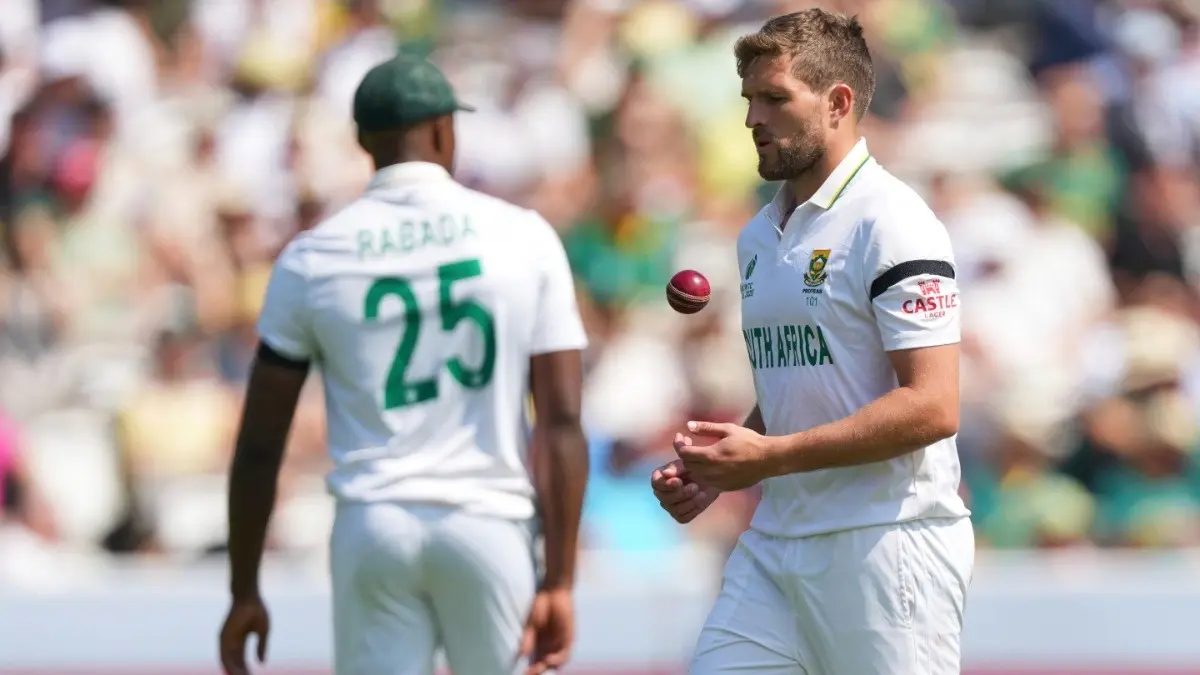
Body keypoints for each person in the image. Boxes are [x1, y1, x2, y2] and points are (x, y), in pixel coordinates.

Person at [218, 53, 590, 675]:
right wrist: (560, 580)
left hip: (374, 524)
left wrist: (243, 590)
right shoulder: (523, 236)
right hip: (487, 521)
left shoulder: (312, 256)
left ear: (363, 140)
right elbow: (560, 422)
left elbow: (259, 445)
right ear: (446, 130)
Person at [650, 9, 974, 675]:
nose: (752, 120)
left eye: (774, 99)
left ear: (838, 103)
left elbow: (934, 407)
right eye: (748, 100)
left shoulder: (893, 222)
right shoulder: (758, 235)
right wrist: (721, 468)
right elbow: (808, 381)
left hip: (885, 541)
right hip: (776, 546)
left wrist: (767, 456)